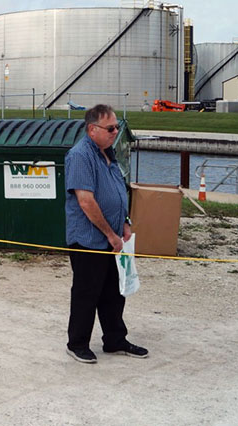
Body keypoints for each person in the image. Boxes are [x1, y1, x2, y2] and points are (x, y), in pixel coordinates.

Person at [64, 104, 148, 364]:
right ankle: (77, 343)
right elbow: (86, 201)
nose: (115, 132)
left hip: (114, 238)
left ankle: (114, 339)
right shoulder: (80, 156)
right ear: (92, 129)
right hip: (89, 239)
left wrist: (124, 221)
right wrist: (110, 235)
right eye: (110, 128)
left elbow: (118, 192)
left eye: (117, 127)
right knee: (87, 293)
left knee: (114, 291)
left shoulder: (109, 154)